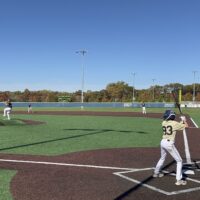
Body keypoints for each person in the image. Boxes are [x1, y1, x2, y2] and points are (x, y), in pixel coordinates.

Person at [153, 110, 188, 186]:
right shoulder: (174, 123)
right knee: (179, 161)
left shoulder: (164, 123)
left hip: (162, 142)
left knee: (162, 158)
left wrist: (181, 121)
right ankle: (179, 180)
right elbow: (186, 126)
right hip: (169, 144)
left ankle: (156, 172)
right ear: (172, 116)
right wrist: (184, 120)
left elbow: (176, 125)